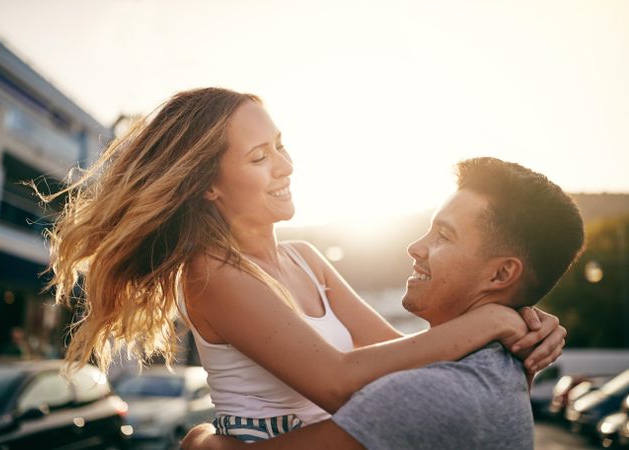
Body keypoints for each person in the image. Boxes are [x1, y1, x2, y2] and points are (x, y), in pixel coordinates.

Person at [41, 88, 565, 441]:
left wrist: (526, 323)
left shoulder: (307, 260)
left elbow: (399, 355)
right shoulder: (210, 274)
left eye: (281, 146)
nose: (286, 166)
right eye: (259, 157)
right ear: (209, 185)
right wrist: (493, 320)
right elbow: (336, 381)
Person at [181, 157, 585, 450]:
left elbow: (341, 380)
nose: (416, 246)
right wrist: (500, 317)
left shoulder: (428, 397)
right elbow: (391, 353)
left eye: (443, 236)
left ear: (500, 276)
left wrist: (201, 441)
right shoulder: (497, 365)